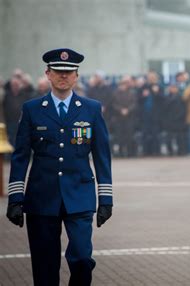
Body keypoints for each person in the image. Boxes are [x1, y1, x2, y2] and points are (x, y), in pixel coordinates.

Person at [5, 48, 113, 286]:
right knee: (45, 267)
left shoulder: (91, 108)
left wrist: (106, 199)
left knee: (83, 258)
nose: (63, 76)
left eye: (69, 72)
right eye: (58, 71)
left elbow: (102, 155)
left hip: (80, 195)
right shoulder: (32, 109)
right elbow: (21, 156)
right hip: (42, 198)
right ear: (48, 74)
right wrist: (15, 198)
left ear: (76, 75)